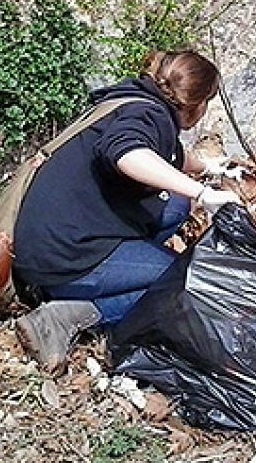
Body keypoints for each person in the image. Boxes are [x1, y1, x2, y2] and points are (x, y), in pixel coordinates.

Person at [13, 50, 241, 373]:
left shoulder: (133, 99)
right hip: (63, 256)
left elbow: (168, 154)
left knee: (175, 205)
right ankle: (65, 315)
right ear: (196, 104)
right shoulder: (151, 118)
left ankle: (111, 275)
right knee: (183, 284)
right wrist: (203, 194)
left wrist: (208, 167)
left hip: (40, 241)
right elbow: (126, 151)